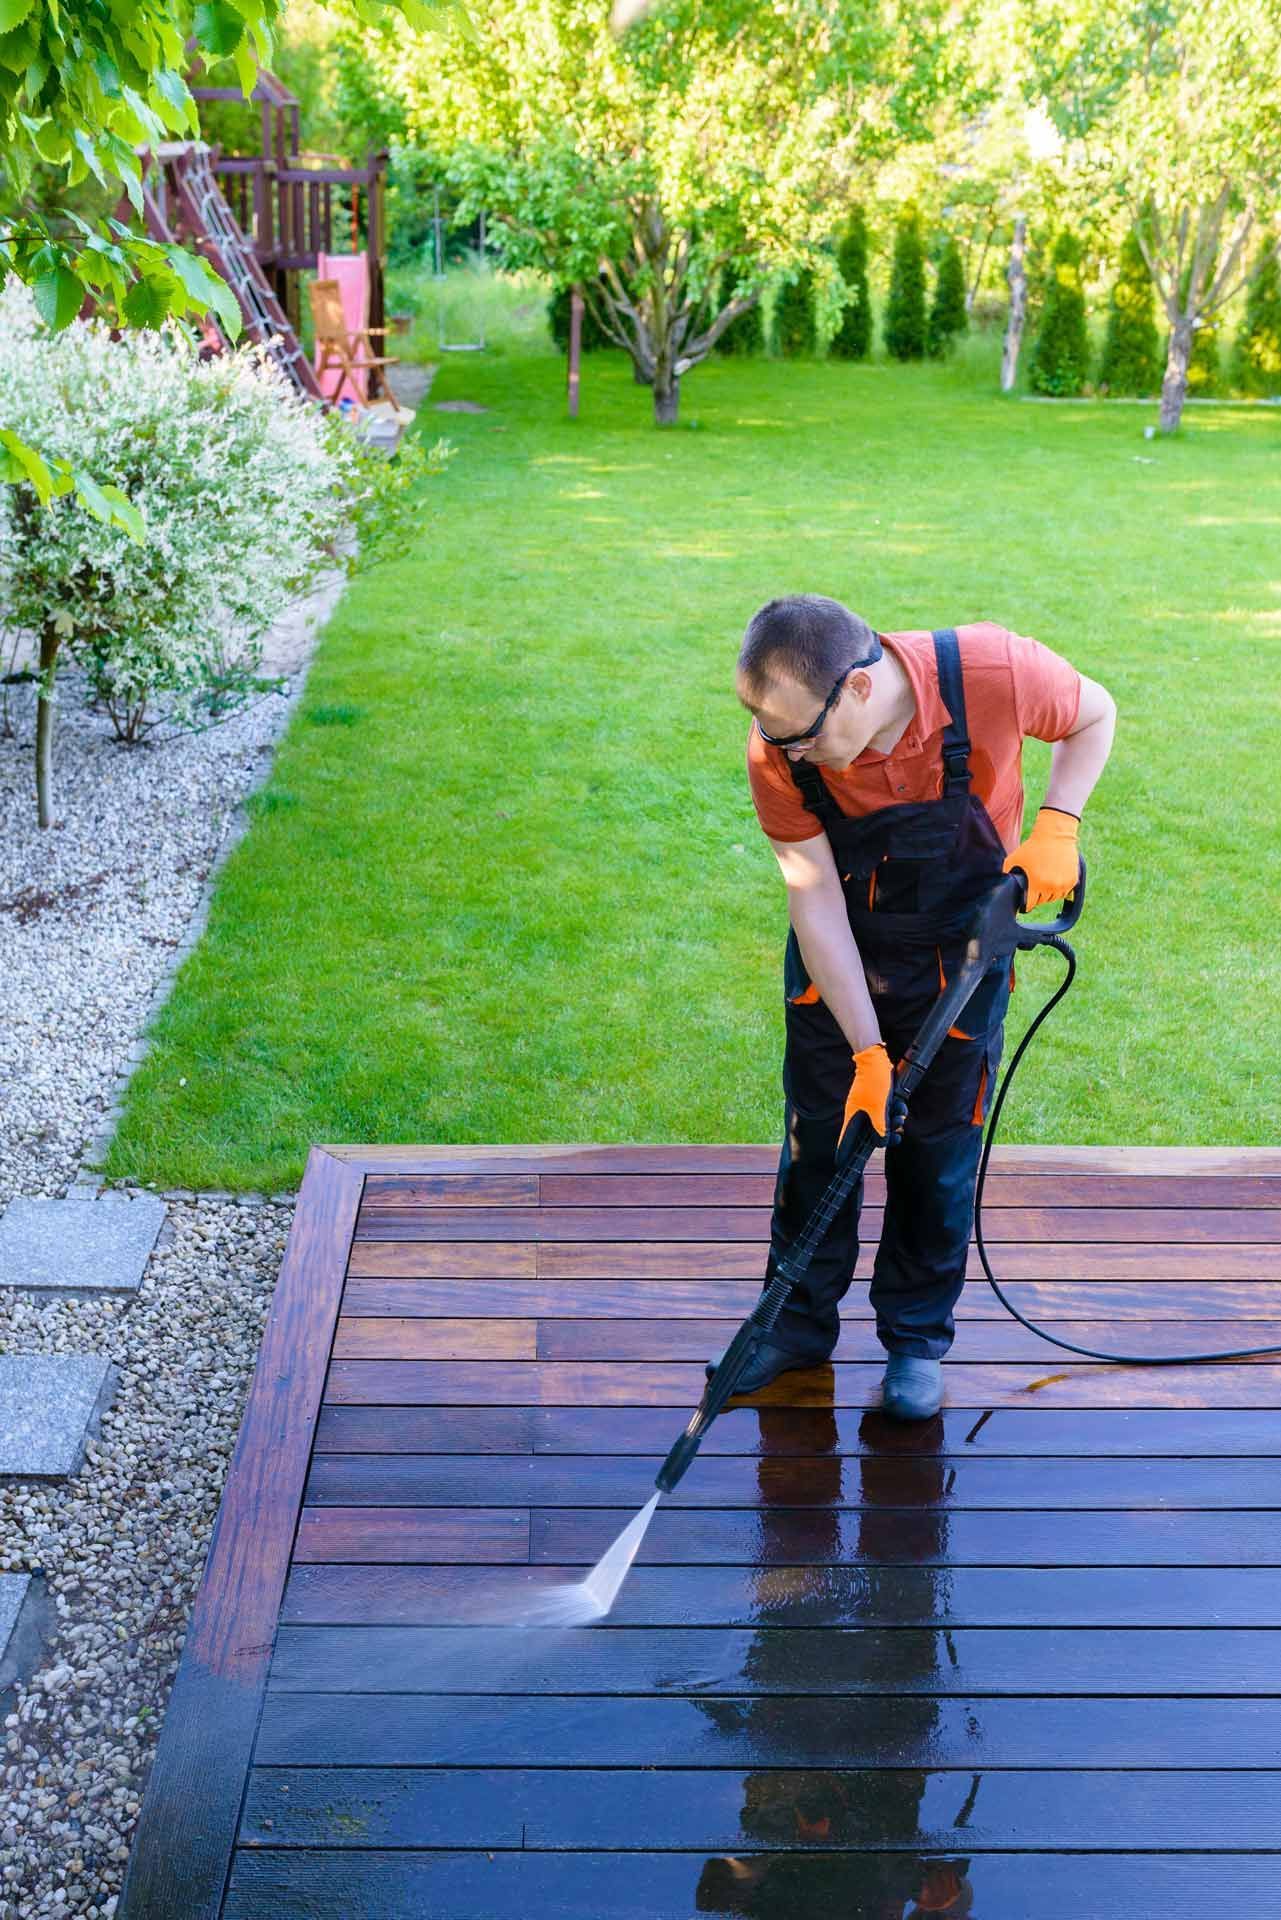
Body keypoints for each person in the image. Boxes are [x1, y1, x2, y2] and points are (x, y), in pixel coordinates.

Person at [717, 596, 1116, 1420]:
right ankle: (791, 1327)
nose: (785, 749)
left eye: (800, 733)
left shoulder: (993, 673)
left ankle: (913, 1341)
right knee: (820, 1146)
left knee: (936, 1159)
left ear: (858, 689)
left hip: (963, 957)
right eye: (772, 732)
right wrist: (866, 1050)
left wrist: (1058, 823)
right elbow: (814, 899)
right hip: (841, 960)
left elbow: (1093, 712)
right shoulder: (778, 751)